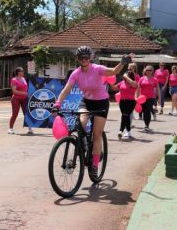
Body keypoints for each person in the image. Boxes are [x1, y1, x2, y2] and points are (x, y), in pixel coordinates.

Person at [54, 45, 133, 178]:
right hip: (86, 102)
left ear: (90, 58)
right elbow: (66, 89)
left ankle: (95, 165)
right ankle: (83, 144)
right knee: (80, 125)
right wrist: (57, 104)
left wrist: (122, 63)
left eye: (86, 57)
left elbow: (113, 71)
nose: (84, 59)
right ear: (78, 59)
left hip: (101, 103)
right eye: (81, 57)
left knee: (97, 135)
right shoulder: (76, 73)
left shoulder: (97, 69)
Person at [110, 63, 138, 139]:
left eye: (127, 76)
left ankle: (120, 131)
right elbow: (114, 88)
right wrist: (110, 82)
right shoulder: (122, 83)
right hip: (122, 101)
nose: (125, 77)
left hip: (131, 102)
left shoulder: (134, 83)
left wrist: (126, 76)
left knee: (125, 115)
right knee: (126, 116)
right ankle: (128, 132)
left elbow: (134, 84)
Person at [8, 67, 33, 135]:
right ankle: (10, 129)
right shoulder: (14, 80)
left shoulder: (24, 79)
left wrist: (28, 93)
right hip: (16, 99)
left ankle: (30, 128)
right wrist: (24, 93)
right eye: (22, 71)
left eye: (23, 71)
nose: (23, 72)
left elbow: (26, 88)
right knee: (15, 114)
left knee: (26, 114)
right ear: (18, 72)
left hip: (24, 99)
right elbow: (14, 91)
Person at [136, 65, 161, 132]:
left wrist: (159, 98)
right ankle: (146, 125)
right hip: (142, 98)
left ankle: (147, 126)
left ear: (152, 71)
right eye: (147, 70)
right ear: (145, 71)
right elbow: (138, 88)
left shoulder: (155, 79)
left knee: (147, 110)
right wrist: (136, 97)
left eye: (150, 70)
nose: (148, 71)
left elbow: (158, 89)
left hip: (151, 98)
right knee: (144, 111)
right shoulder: (141, 79)